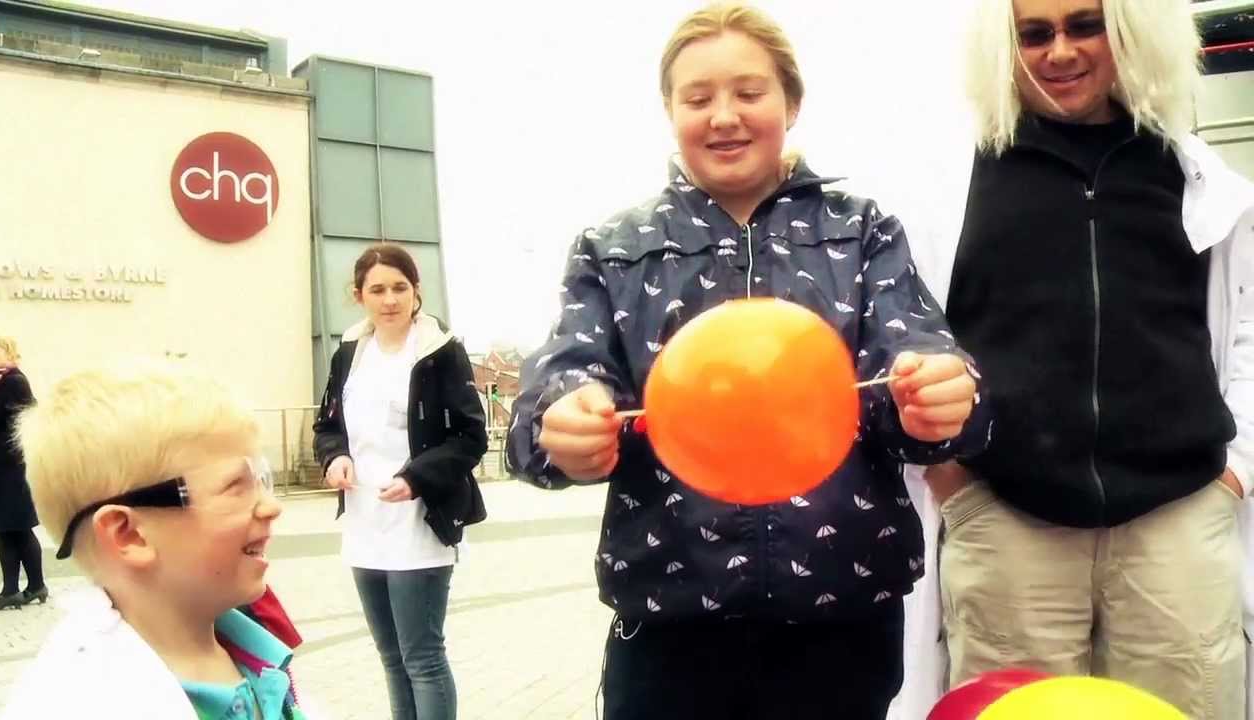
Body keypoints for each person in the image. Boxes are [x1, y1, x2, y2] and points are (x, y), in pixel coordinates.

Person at [505, 4, 991, 718]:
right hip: (671, 628)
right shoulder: (614, 250)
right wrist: (564, 420)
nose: (724, 116)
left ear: (791, 103)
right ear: (670, 111)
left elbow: (915, 355)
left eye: (750, 92)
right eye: (698, 98)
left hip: (843, 624)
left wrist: (942, 398)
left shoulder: (861, 231)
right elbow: (559, 383)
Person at [895, 1, 1254, 718]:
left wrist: (1234, 476)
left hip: (1177, 524)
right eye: (1035, 34)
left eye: (1084, 25)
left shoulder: (1193, 178)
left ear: (1126, 30)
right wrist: (957, 489)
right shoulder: (955, 185)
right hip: (1011, 529)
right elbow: (911, 339)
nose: (1059, 52)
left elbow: (1246, 329)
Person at [0, 363, 318, 720]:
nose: (271, 506)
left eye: (262, 479)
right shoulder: (77, 703)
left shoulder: (257, 655)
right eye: (235, 486)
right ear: (129, 534)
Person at [313, 242, 488, 720]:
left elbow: (470, 437)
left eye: (399, 287)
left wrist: (416, 478)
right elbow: (328, 425)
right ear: (358, 296)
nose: (389, 299)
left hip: (419, 523)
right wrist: (335, 457)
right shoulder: (350, 352)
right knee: (392, 659)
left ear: (416, 291)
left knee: (422, 659)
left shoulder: (440, 352)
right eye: (377, 290)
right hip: (364, 523)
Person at [0, 335, 45, 612]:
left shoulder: (13, 382)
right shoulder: (3, 381)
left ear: (9, 352)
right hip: (4, 464)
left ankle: (13, 591)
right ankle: (32, 587)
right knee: (14, 528)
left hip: (8, 466)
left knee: (10, 528)